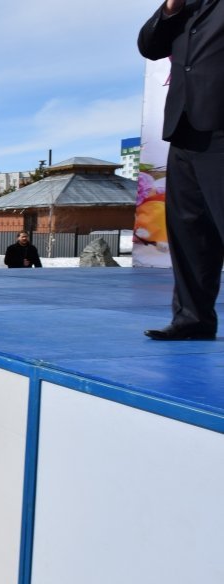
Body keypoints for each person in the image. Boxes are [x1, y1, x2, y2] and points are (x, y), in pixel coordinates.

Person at [139, 0, 224, 341]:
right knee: (189, 231)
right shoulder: (185, 8)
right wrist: (171, 7)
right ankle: (193, 319)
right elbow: (149, 46)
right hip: (184, 129)